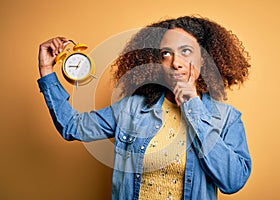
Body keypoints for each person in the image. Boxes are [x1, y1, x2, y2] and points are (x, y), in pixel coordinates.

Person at [38, 15, 252, 200]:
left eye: (186, 51)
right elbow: (72, 126)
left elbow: (232, 182)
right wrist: (46, 69)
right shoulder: (131, 110)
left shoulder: (226, 118)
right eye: (166, 53)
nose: (175, 62)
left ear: (204, 59)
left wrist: (193, 107)